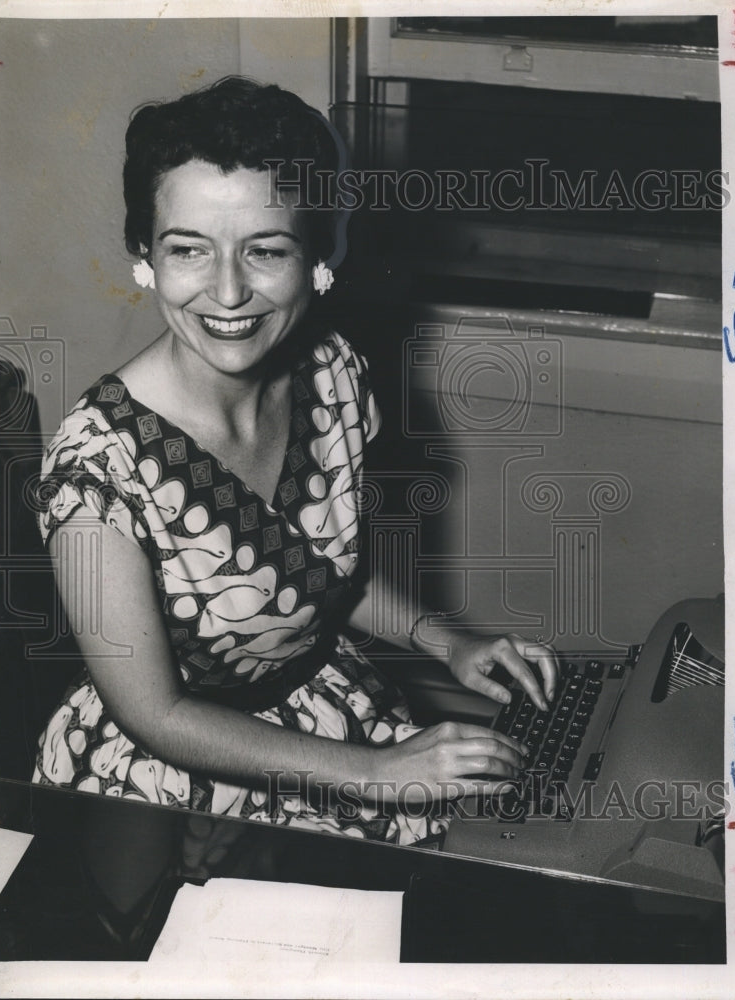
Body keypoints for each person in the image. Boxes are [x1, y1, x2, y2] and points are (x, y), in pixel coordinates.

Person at [33, 76, 557, 845]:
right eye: (187, 250)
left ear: (319, 255)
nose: (228, 292)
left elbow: (309, 576)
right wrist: (378, 774)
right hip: (162, 784)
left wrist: (442, 640)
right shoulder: (92, 472)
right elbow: (156, 715)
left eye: (266, 250)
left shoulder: (333, 370)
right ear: (143, 255)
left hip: (319, 714)